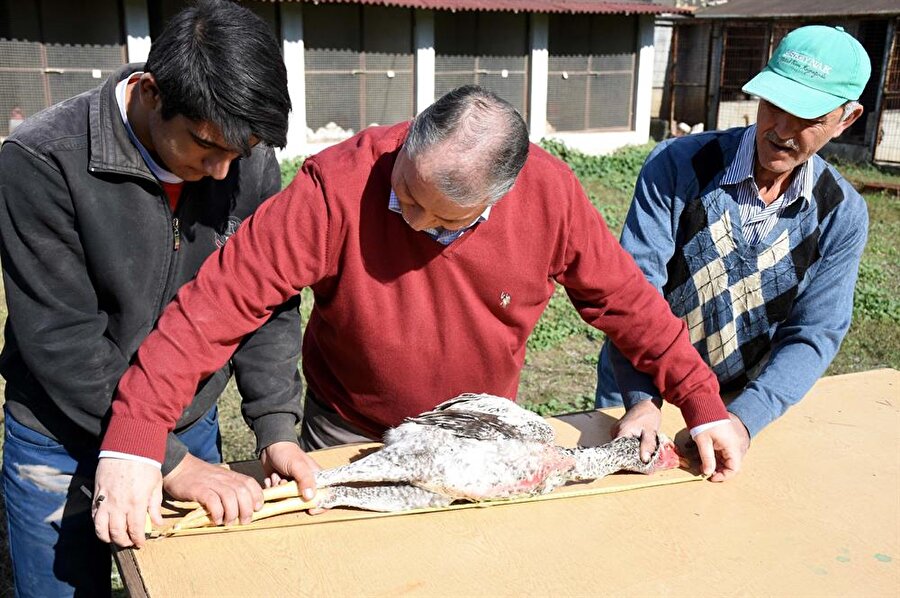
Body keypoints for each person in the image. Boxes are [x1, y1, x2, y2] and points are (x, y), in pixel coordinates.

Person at [92, 84, 747, 546]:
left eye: (441, 219)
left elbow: (627, 302)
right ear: (409, 140)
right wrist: (135, 439)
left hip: (476, 443)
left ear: (501, 195)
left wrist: (701, 400)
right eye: (406, 194)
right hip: (345, 430)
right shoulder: (337, 186)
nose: (410, 220)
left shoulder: (550, 195)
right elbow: (218, 305)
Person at [0, 1, 307, 595]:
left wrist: (276, 426)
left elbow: (264, 299)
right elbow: (61, 340)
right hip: (61, 434)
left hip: (186, 418)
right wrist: (171, 462)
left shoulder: (246, 157)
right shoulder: (41, 161)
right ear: (149, 91)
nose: (222, 173)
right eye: (203, 147)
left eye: (236, 155)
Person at [595, 25, 870, 463]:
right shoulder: (678, 166)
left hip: (736, 405)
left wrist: (744, 419)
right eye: (773, 105)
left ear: (847, 118)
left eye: (808, 118)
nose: (780, 129)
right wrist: (641, 402)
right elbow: (634, 291)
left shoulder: (840, 213)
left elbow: (814, 333)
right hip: (642, 384)